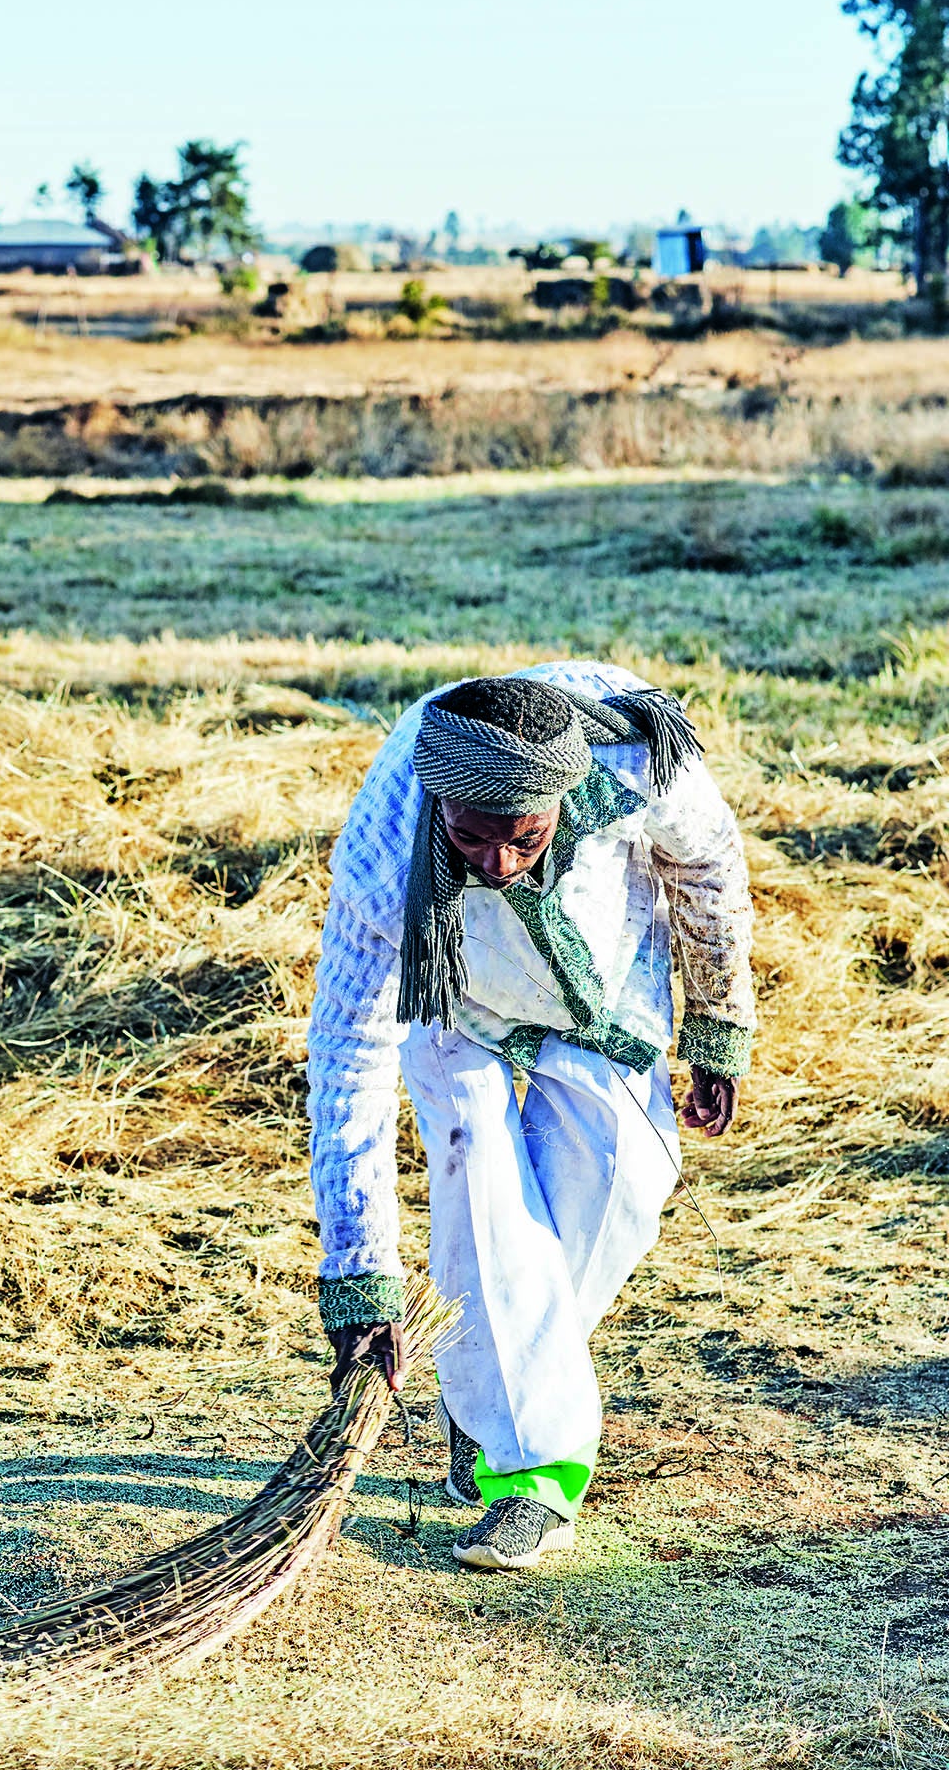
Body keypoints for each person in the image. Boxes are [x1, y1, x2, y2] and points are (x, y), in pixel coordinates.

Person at [307, 660, 754, 1570]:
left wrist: (716, 1017)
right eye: (472, 840)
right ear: (440, 807)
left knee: (628, 1175)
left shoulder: (634, 759)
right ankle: (532, 1477)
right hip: (449, 992)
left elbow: (706, 864)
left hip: (605, 965)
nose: (499, 865)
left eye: (524, 838)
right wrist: (359, 1276)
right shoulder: (384, 849)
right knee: (483, 1193)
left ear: (567, 794)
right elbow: (348, 1060)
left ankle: (485, 1394)